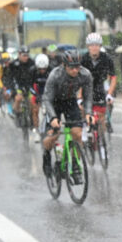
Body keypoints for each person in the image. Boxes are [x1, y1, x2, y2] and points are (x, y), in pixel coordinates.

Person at [41, 49, 93, 179]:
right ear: (64, 66)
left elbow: (88, 97)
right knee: (53, 135)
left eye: (77, 67)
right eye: (71, 67)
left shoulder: (85, 75)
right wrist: (53, 117)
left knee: (77, 133)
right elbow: (47, 99)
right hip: (54, 103)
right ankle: (46, 155)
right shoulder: (55, 75)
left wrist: (88, 113)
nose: (75, 70)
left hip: (70, 102)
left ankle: (75, 163)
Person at [81, 33, 117, 138]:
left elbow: (113, 77)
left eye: (96, 45)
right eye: (91, 45)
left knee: (101, 119)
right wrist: (79, 97)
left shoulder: (107, 59)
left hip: (100, 88)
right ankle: (84, 129)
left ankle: (101, 141)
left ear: (100, 46)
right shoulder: (83, 59)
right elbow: (78, 79)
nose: (94, 47)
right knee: (83, 109)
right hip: (86, 88)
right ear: (88, 47)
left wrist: (110, 94)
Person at [29, 53, 52, 142]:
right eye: (40, 69)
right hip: (37, 90)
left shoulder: (51, 69)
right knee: (35, 110)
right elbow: (30, 85)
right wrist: (35, 95)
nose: (42, 71)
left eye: (44, 69)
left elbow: (55, 84)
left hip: (48, 90)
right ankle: (37, 130)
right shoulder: (32, 71)